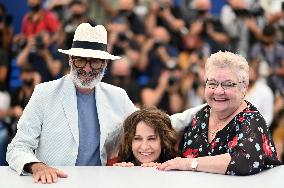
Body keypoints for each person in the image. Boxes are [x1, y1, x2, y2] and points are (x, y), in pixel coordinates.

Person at [6, 23, 137, 183]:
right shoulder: (44, 93)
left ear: (105, 64)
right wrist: (37, 166)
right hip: (54, 184)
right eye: (81, 61)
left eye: (95, 62)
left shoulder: (118, 96)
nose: (88, 69)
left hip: (101, 183)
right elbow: (17, 147)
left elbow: (150, 126)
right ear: (70, 60)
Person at [157, 51, 281, 175]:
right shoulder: (200, 116)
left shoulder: (252, 120)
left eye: (228, 84)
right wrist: (158, 164)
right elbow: (179, 157)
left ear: (244, 88)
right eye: (212, 83)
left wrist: (190, 164)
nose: (218, 91)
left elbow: (243, 161)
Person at [113, 106, 178, 167]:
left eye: (151, 139)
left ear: (163, 142)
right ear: (130, 142)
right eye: (137, 138)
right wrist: (120, 174)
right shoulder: (114, 164)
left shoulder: (177, 167)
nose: (144, 147)